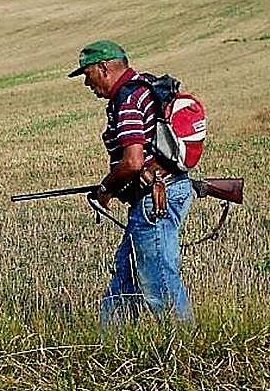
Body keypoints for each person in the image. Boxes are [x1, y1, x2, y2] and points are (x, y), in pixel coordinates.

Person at [68, 40, 194, 327]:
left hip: (155, 201)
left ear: (104, 68)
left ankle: (187, 352)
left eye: (87, 74)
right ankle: (110, 347)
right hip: (156, 195)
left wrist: (105, 190)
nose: (87, 83)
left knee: (159, 281)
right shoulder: (141, 90)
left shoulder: (127, 100)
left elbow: (133, 162)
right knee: (125, 277)